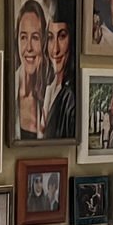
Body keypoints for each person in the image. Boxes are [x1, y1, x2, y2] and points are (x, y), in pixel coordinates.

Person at [14, 0, 51, 138]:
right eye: (23, 37)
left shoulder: (50, 95)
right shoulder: (6, 91)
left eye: (35, 38)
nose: (28, 47)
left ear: (44, 42)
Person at [43, 9, 77, 139]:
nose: (55, 49)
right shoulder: (48, 88)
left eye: (62, 36)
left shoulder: (71, 96)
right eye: (50, 38)